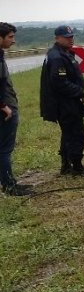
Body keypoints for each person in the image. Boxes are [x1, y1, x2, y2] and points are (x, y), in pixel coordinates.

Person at [39, 25, 84, 176]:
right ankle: (77, 166)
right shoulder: (57, 56)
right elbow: (59, 82)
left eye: (71, 37)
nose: (70, 40)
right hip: (65, 103)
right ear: (57, 38)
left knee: (68, 134)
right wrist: (79, 91)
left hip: (67, 101)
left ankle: (66, 166)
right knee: (76, 133)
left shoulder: (63, 53)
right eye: (67, 37)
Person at [0, 23, 34, 195]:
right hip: (4, 111)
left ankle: (9, 183)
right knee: (4, 149)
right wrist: (3, 106)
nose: (13, 40)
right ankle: (9, 186)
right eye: (10, 37)